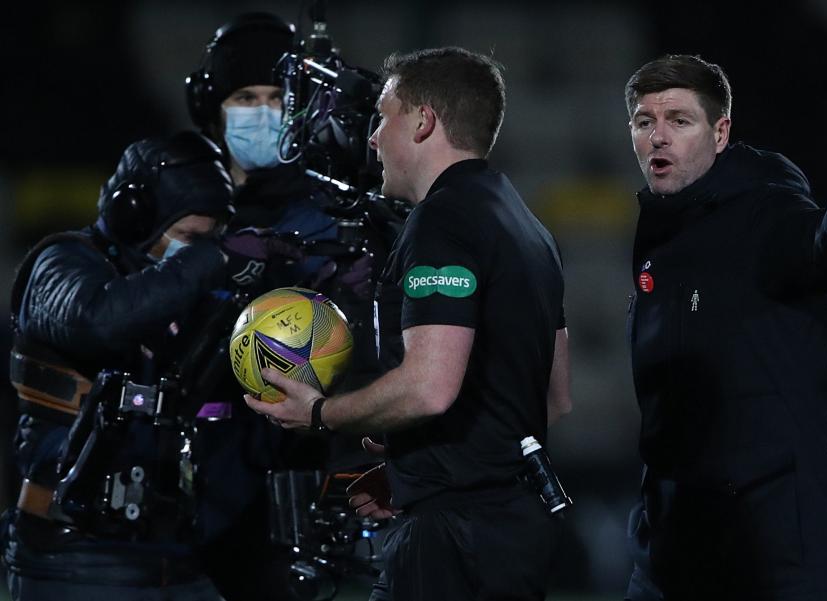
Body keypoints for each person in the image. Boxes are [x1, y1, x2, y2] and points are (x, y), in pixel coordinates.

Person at [246, 47, 572, 601]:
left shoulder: (442, 221)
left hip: (452, 541)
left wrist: (320, 413)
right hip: (509, 528)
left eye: (383, 114)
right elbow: (553, 398)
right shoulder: (525, 223)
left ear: (423, 121)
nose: (372, 137)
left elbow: (429, 387)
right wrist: (421, 469)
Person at [622, 54, 827, 600]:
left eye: (678, 121)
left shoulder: (762, 206)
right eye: (643, 121)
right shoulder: (661, 227)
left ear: (720, 132)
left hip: (775, 549)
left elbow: (819, 250)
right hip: (673, 545)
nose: (657, 137)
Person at [0, 131, 253, 600]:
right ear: (134, 216)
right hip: (74, 556)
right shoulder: (61, 263)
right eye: (189, 238)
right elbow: (96, 320)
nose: (201, 250)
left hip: (177, 553)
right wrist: (208, 260)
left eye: (214, 238)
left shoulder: (189, 293)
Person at [184, 12, 385, 601]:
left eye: (276, 96)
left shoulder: (335, 213)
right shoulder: (182, 210)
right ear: (211, 107)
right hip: (194, 495)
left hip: (302, 477)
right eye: (245, 96)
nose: (262, 111)